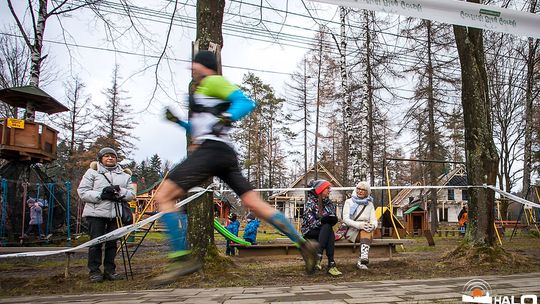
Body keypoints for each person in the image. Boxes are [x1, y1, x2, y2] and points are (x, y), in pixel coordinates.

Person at [155, 50, 317, 284]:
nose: (191, 67)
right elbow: (199, 129)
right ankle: (303, 244)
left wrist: (228, 117)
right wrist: (179, 122)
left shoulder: (213, 81)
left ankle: (182, 259)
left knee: (164, 196)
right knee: (255, 204)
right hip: (224, 153)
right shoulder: (203, 92)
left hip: (210, 151)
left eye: (194, 64)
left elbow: (245, 102)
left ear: (204, 65)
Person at [77, 147, 136, 283]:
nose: (110, 158)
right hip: (96, 214)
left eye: (113, 156)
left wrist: (119, 192)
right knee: (96, 243)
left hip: (115, 214)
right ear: (101, 159)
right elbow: (82, 192)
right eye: (106, 156)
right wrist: (101, 195)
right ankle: (94, 271)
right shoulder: (92, 173)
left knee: (112, 244)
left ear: (116, 159)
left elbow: (131, 194)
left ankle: (110, 270)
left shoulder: (125, 175)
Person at [301, 179, 342, 276]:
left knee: (328, 227)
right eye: (327, 188)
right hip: (310, 231)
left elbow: (331, 217)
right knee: (327, 228)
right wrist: (322, 221)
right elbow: (310, 223)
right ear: (320, 189)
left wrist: (332, 220)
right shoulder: (310, 203)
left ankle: (319, 257)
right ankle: (331, 264)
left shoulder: (329, 203)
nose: (329, 190)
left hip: (324, 231)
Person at [342, 181, 377, 270]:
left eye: (363, 189)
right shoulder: (349, 202)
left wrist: (373, 226)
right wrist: (359, 225)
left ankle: (362, 259)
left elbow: (373, 220)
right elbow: (345, 219)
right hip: (353, 230)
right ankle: (363, 258)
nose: (360, 191)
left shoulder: (370, 204)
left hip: (366, 230)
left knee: (367, 229)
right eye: (358, 189)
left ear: (367, 192)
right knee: (365, 230)